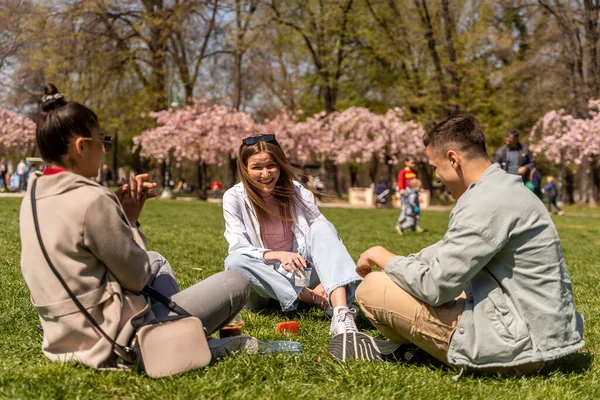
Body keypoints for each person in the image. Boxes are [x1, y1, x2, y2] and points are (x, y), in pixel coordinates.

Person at [20, 84, 256, 371]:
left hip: (65, 335)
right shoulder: (93, 198)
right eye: (102, 141)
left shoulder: (33, 194)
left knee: (156, 259)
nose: (104, 150)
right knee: (236, 282)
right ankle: (170, 342)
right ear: (82, 146)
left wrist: (118, 216)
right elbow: (136, 278)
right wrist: (129, 222)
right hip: (114, 343)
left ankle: (175, 333)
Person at [343, 115, 584, 376]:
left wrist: (381, 255)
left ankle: (426, 347)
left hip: (524, 348)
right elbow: (443, 252)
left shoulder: (485, 202)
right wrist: (392, 263)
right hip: (547, 336)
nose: (436, 177)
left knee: (374, 288)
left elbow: (436, 287)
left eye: (436, 167)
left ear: (453, 159)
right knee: (403, 279)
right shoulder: (504, 188)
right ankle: (420, 345)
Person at [222, 134, 363, 336]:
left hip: (301, 275)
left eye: (271, 165)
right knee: (234, 262)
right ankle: (313, 299)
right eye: (256, 167)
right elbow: (239, 248)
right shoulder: (234, 197)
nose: (265, 174)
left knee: (323, 227)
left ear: (280, 164)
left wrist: (326, 279)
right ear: (245, 168)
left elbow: (327, 239)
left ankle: (341, 313)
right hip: (265, 282)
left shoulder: (298, 192)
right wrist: (279, 255)